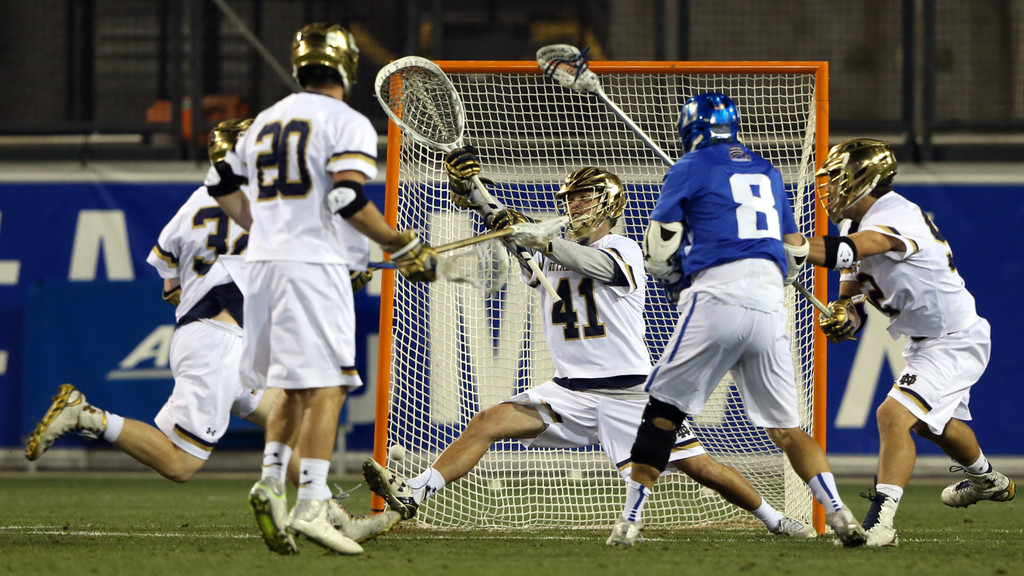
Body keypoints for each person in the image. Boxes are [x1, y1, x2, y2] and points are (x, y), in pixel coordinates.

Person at [361, 148, 818, 543]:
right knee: (487, 421)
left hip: (629, 393)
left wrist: (537, 237)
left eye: (584, 197)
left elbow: (587, 262)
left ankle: (776, 521)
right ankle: (414, 492)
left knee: (703, 470)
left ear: (608, 204)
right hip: (570, 389)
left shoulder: (625, 249)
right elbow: (510, 229)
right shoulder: (548, 246)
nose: (574, 205)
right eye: (570, 198)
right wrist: (474, 192)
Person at [23, 118, 397, 545]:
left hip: (211, 338)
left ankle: (328, 513)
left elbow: (170, 286)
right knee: (180, 464)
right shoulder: (274, 200)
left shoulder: (196, 201)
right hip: (221, 344)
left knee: (286, 422)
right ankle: (87, 415)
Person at [206, 23, 437, 555]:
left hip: (262, 264)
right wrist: (399, 245)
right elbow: (345, 199)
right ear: (346, 66)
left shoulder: (266, 119)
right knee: (329, 386)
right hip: (308, 268)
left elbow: (221, 186)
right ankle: (310, 504)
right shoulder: (347, 121)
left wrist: (275, 232)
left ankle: (269, 482)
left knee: (289, 384)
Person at [610, 92, 868, 548]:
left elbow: (657, 248)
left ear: (691, 128)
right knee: (788, 431)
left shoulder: (688, 167)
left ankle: (629, 522)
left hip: (716, 295)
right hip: (770, 302)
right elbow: (792, 249)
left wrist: (674, 278)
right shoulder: (767, 171)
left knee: (663, 413)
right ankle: (842, 514)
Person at [805, 138, 1015, 547]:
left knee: (892, 416)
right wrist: (846, 313)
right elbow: (853, 289)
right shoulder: (850, 222)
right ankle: (987, 479)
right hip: (923, 341)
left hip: (954, 338)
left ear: (861, 180)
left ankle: (880, 524)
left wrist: (781, 247)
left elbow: (857, 250)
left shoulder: (897, 215)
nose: (829, 189)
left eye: (836, 180)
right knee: (933, 427)